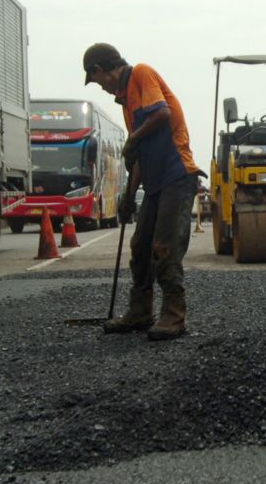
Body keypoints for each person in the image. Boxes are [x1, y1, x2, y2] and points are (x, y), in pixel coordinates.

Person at [83, 43, 201, 341]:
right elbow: (138, 156)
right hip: (155, 181)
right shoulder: (127, 104)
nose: (102, 88)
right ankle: (140, 311)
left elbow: (161, 113)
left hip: (176, 175)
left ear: (101, 70)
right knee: (140, 246)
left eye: (97, 81)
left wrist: (133, 138)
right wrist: (127, 195)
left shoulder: (142, 74)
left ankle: (174, 316)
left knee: (165, 247)